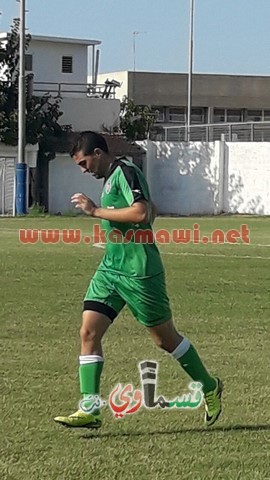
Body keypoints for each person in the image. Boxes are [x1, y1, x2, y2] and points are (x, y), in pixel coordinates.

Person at [54, 131, 223, 429]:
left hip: (139, 272)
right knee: (88, 333)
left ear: (97, 153)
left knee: (164, 339)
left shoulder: (125, 172)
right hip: (111, 269)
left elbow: (142, 211)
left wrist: (95, 211)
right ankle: (90, 409)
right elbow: (151, 210)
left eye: (84, 163)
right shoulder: (112, 178)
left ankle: (209, 385)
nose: (83, 170)